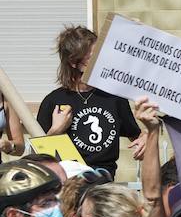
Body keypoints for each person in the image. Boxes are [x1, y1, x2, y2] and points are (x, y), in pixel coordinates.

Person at [38, 25, 143, 175]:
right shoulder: (54, 101)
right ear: (73, 62)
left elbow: (136, 136)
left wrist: (147, 136)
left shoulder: (113, 97)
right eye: (93, 58)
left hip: (102, 179)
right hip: (67, 181)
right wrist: (56, 131)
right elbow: (39, 159)